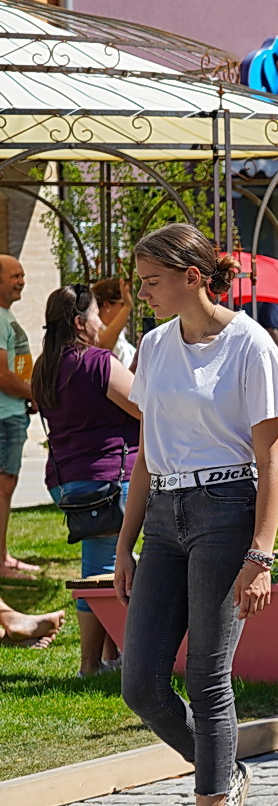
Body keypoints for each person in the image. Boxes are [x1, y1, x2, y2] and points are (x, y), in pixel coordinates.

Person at [114, 223, 278, 806]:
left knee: (208, 678)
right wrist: (125, 541)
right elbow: (144, 450)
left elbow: (272, 459)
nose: (145, 291)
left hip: (226, 511)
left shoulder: (250, 344)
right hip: (163, 516)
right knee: (140, 682)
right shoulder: (156, 346)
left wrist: (263, 552)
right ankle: (226, 773)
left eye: (153, 279)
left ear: (194, 275)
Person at [34, 284, 142, 676]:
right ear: (80, 323)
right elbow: (143, 407)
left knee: (104, 565)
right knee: (102, 573)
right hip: (109, 481)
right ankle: (90, 664)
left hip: (68, 480)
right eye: (98, 314)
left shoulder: (44, 366)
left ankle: (111, 658)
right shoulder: (97, 361)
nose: (103, 322)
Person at [0, 254, 37, 574]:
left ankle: (3, 555)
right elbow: (2, 376)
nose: (21, 281)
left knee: (6, 486)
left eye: (23, 275)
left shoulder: (5, 316)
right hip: (4, 415)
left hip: (13, 411)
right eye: (15, 276)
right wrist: (36, 394)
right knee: (3, 487)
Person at [92, 278, 137, 369]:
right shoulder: (94, 333)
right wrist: (127, 307)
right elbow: (103, 347)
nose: (127, 313)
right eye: (122, 303)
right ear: (107, 305)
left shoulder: (120, 335)